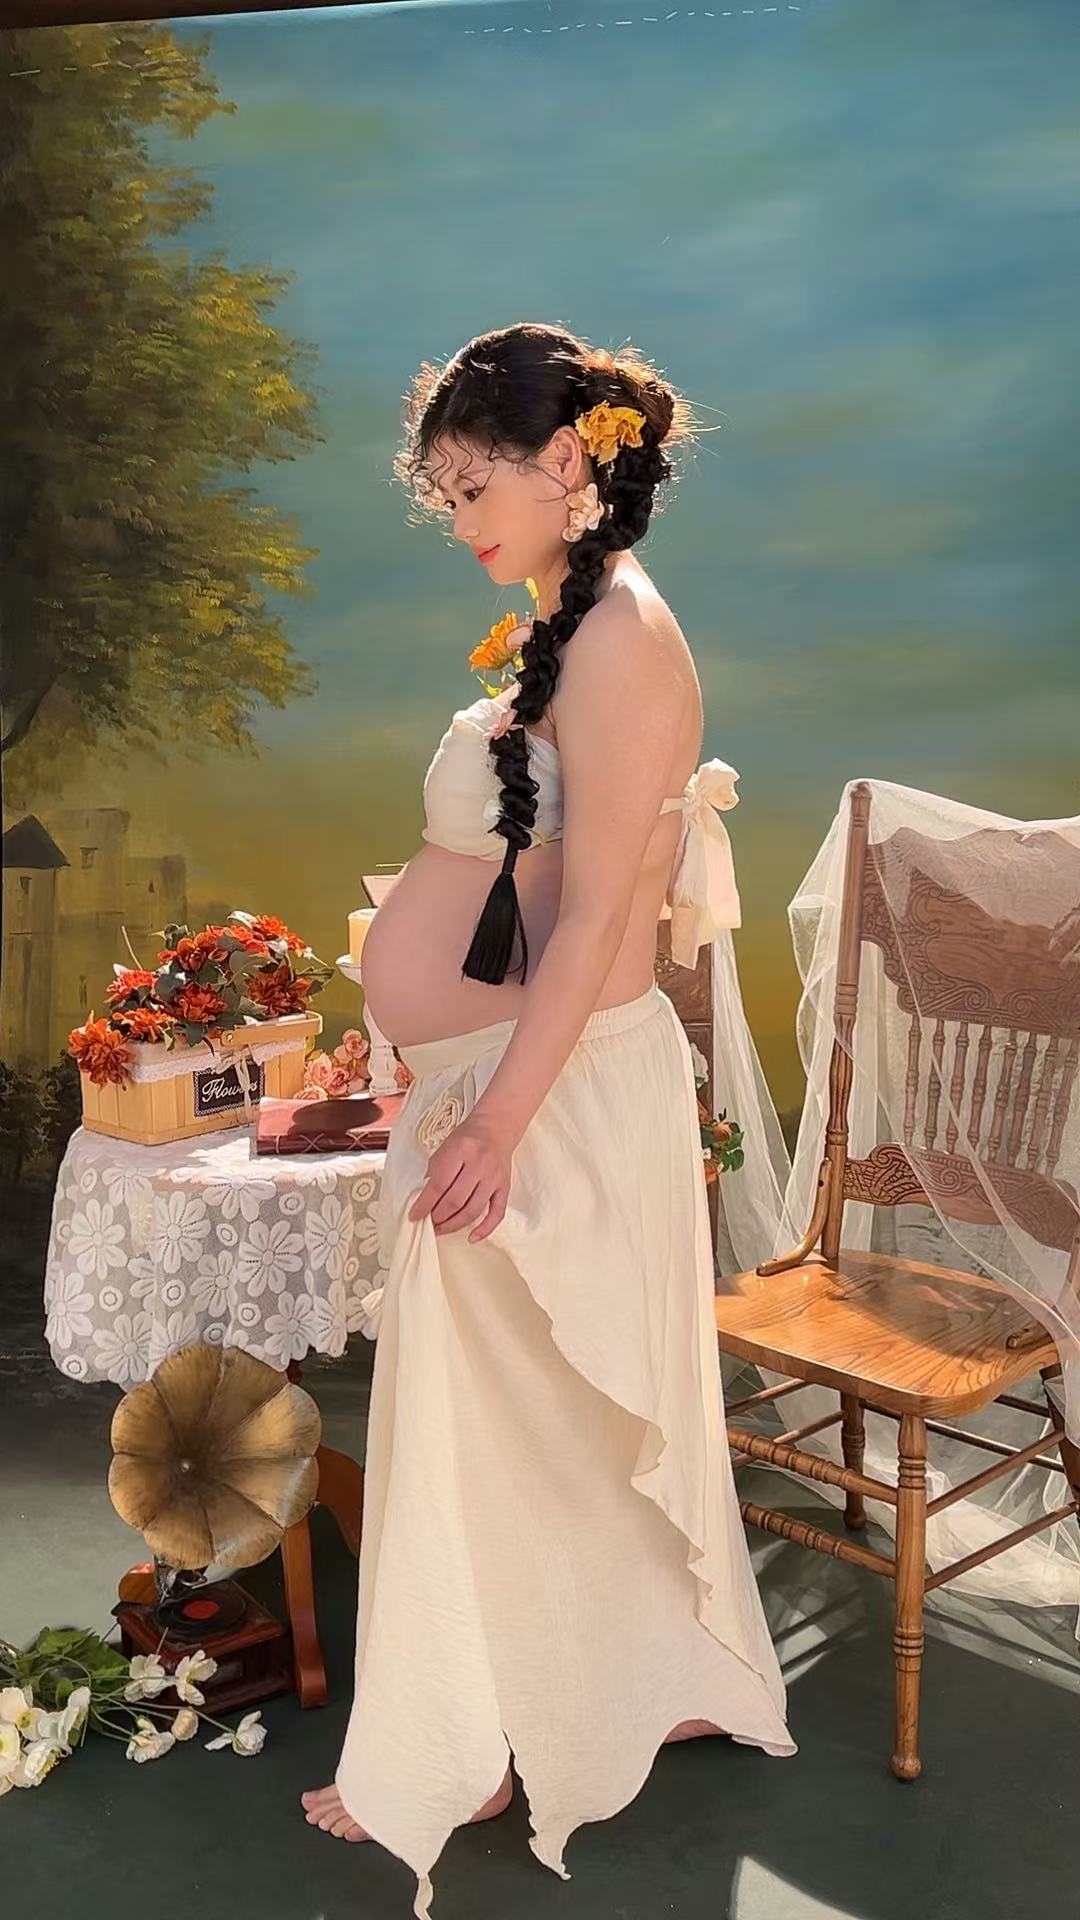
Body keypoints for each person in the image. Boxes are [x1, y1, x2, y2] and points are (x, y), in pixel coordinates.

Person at [300, 322, 796, 1916]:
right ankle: (563, 1697)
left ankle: (477, 1741)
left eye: (473, 486)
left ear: (567, 461)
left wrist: (499, 1122)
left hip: (560, 1091)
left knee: (518, 1414)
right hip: (513, 1071)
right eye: (442, 494)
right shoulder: (566, 620)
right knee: (520, 1416)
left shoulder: (624, 637)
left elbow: (600, 926)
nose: (457, 519)